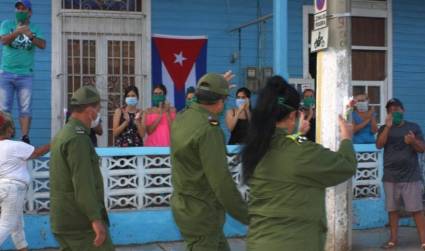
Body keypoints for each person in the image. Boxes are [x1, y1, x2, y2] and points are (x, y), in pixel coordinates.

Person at [241, 76, 357, 251]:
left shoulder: (255, 148)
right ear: (293, 115)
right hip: (294, 243)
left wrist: (297, 135)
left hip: (257, 242)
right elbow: (346, 165)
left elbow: (283, 151)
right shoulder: (301, 152)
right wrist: (346, 138)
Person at [170, 72, 249, 251]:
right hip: (202, 214)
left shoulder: (182, 118)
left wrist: (214, 86)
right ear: (220, 102)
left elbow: (195, 105)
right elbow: (221, 183)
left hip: (185, 208)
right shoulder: (209, 131)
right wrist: (247, 216)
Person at [49, 86, 114, 250]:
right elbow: (83, 184)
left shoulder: (64, 133)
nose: (98, 114)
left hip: (64, 217)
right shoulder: (78, 139)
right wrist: (96, 220)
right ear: (91, 111)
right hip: (80, 223)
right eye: (98, 109)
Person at [376, 98, 425, 250]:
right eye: (391, 110)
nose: (394, 112)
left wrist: (412, 141)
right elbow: (379, 145)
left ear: (403, 111)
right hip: (390, 176)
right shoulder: (384, 127)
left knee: (416, 209)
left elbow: (422, 149)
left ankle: (424, 241)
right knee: (392, 210)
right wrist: (388, 128)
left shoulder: (413, 127)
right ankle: (393, 240)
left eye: (397, 109)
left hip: (411, 176)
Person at [0, 111, 49, 250]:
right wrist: (54, 142)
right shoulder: (14, 146)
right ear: (9, 129)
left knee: (17, 225)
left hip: (3, 187)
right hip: (12, 189)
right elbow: (37, 152)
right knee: (7, 224)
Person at [0, 0, 46, 144]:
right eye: (18, 9)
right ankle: (3, 137)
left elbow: (43, 45)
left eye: (23, 9)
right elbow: (3, 41)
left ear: (30, 12)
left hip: (26, 74)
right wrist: (17, 32)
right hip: (6, 72)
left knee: (25, 108)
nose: (20, 11)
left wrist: (30, 35)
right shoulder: (7, 24)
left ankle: (25, 138)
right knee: (4, 108)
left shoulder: (35, 27)